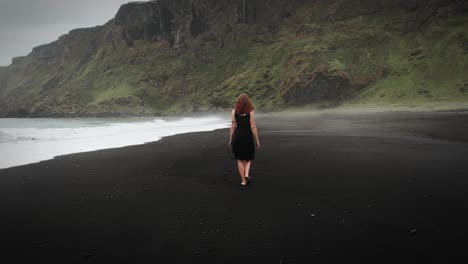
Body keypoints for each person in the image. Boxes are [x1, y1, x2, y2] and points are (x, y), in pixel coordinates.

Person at [229, 93, 260, 186]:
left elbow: (233, 126)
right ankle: (246, 174)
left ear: (238, 102)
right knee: (248, 158)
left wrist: (230, 139)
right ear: (248, 102)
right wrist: (257, 140)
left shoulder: (234, 111)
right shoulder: (251, 111)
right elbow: (253, 126)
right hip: (247, 137)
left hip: (238, 137)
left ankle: (243, 181)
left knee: (239, 159)